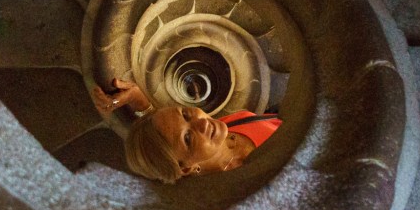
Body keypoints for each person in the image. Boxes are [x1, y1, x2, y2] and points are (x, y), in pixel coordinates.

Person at [91, 78, 281, 184]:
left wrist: (137, 98)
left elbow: (169, 129)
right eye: (188, 138)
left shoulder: (219, 133)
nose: (201, 123)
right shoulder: (238, 186)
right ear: (186, 168)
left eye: (186, 114)